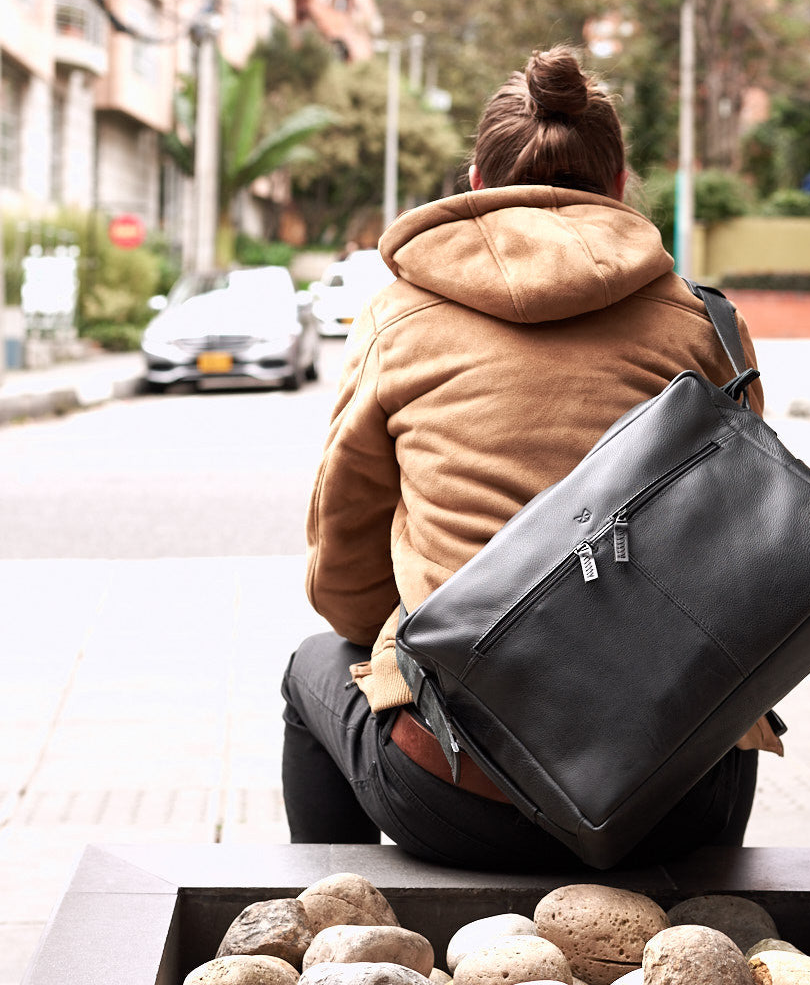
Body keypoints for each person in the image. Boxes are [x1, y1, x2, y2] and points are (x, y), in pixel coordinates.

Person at [281, 45, 780, 869]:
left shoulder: (398, 318)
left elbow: (344, 579)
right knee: (722, 705)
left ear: (476, 184)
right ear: (620, 189)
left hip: (458, 793)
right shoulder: (705, 324)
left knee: (315, 665)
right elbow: (747, 553)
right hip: (681, 795)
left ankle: (347, 928)